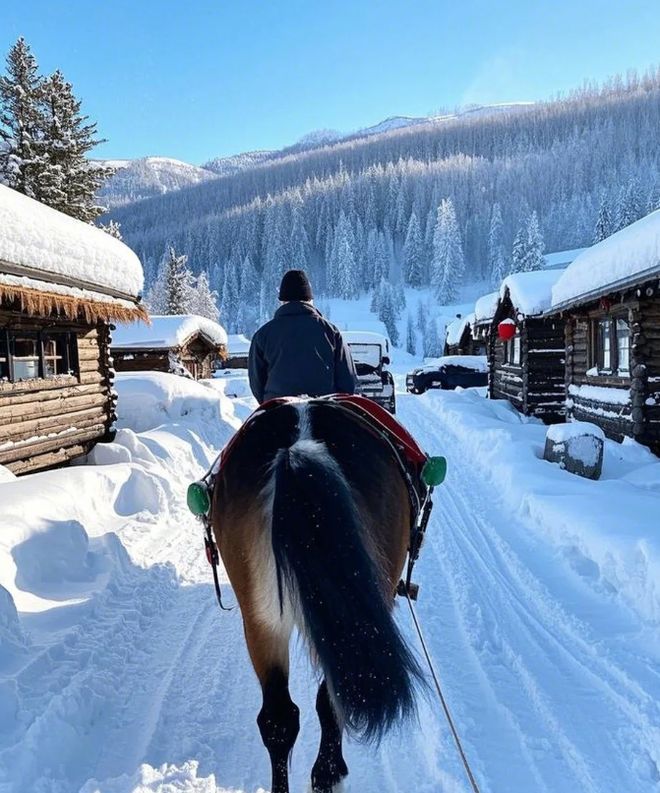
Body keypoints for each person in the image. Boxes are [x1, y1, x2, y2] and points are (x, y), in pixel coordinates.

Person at [248, 270, 357, 404]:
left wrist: (268, 401)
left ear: (282, 301)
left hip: (277, 408)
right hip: (323, 407)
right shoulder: (330, 332)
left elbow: (257, 383)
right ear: (310, 300)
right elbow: (347, 381)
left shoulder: (262, 335)